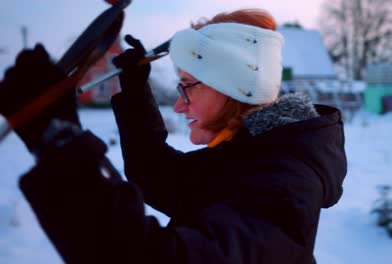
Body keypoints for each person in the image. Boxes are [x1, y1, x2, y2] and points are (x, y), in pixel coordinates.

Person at [0, 9, 347, 264]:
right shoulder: (249, 156)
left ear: (231, 86)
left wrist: (61, 149)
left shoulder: (284, 186)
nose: (179, 107)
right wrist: (135, 91)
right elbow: (157, 175)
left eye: (188, 87)